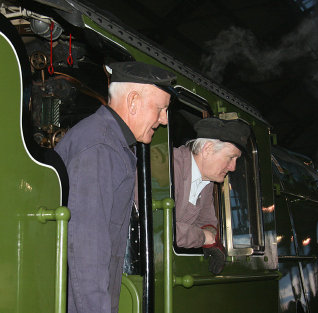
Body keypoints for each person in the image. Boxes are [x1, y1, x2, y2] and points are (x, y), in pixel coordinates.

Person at [55, 61, 176, 313]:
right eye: (161, 109)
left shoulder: (109, 141)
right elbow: (87, 248)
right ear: (133, 101)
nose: (163, 120)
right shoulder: (101, 147)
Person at [173, 117, 250, 274]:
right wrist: (203, 238)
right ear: (207, 149)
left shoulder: (206, 180)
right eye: (230, 157)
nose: (233, 167)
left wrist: (211, 239)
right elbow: (161, 229)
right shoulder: (169, 167)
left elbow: (208, 223)